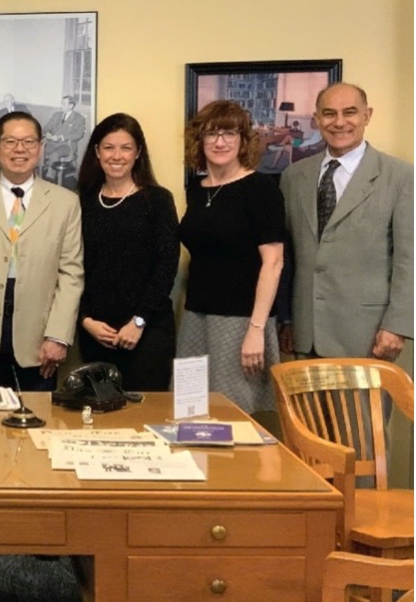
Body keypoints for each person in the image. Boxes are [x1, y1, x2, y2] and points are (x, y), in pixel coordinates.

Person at [279, 83, 413, 362]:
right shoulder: (293, 177)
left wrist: (397, 326)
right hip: (306, 335)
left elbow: (409, 260)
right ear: (316, 119)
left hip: (369, 337)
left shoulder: (400, 177)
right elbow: (288, 255)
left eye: (349, 112)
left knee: (362, 410)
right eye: (329, 114)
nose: (339, 122)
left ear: (367, 115)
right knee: (305, 409)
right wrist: (287, 319)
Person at [0, 112, 84, 391]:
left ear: (41, 147)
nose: (19, 149)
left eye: (28, 141)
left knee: (38, 425)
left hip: (40, 339)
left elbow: (71, 273)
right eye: (10, 141)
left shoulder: (65, 202)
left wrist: (59, 336)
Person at [177, 100, 284, 415]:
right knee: (190, 411)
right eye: (211, 134)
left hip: (240, 321)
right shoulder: (196, 189)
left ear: (243, 140)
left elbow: (274, 262)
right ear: (199, 141)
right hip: (195, 317)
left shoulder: (261, 189)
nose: (220, 142)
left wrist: (256, 329)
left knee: (232, 417)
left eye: (229, 133)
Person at [76, 113, 180, 391]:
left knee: (143, 418)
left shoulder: (158, 200)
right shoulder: (82, 201)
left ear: (138, 153)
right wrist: (85, 320)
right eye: (109, 147)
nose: (116, 156)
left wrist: (139, 321)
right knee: (97, 421)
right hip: (95, 332)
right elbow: (73, 266)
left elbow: (167, 265)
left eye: (126, 147)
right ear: (97, 152)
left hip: (147, 332)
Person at [43, 95, 87, 168]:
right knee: (38, 151)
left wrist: (61, 137)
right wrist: (47, 134)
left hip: (67, 145)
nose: (61, 106)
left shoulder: (78, 118)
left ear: (71, 105)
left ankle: (51, 177)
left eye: (64, 104)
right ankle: (40, 174)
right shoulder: (56, 115)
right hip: (52, 143)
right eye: (61, 103)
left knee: (54, 155)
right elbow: (46, 127)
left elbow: (78, 134)